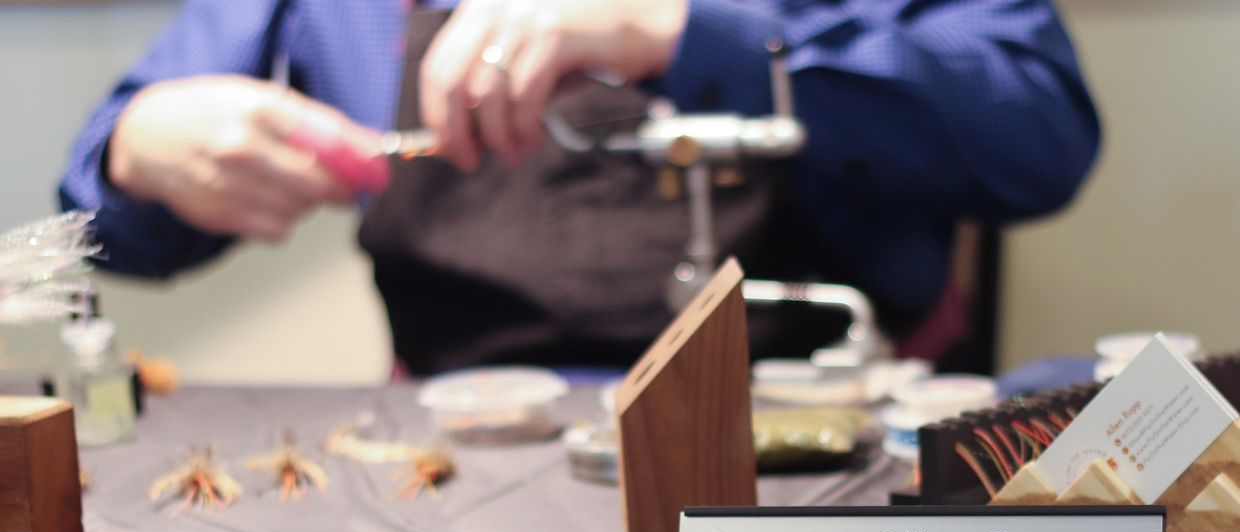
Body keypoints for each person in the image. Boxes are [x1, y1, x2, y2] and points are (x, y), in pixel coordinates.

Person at [60, 0, 1100, 375]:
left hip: (817, 454)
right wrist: (140, 150)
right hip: (463, 462)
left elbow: (1039, 133)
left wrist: (683, 32)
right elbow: (104, 221)